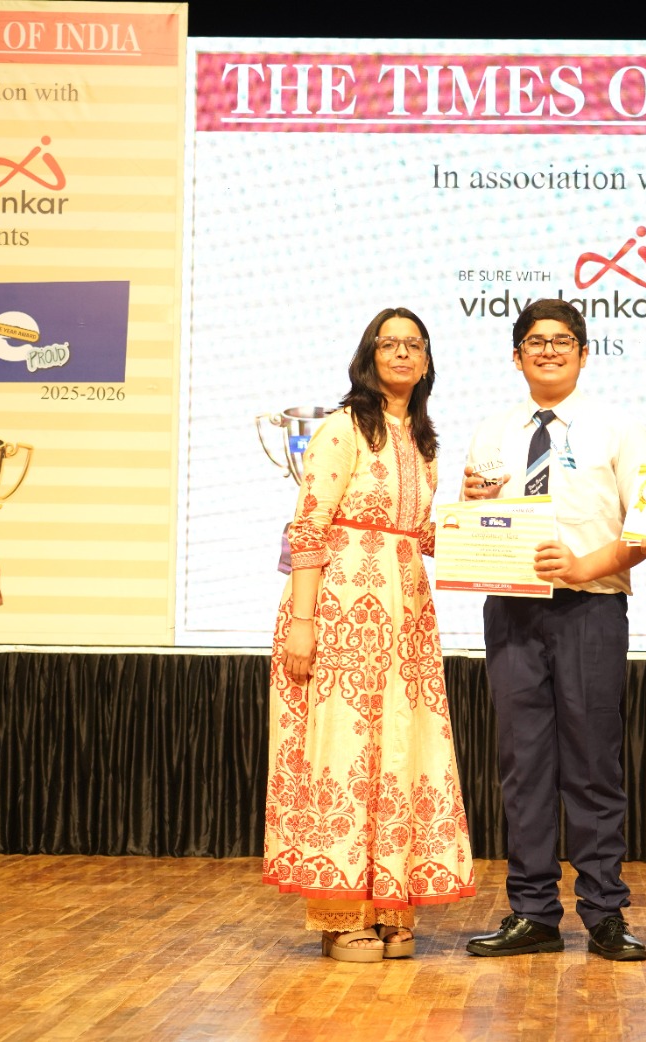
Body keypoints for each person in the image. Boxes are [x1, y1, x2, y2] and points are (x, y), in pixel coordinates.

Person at [262, 307, 475, 963]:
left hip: (406, 622)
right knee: (341, 754)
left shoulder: (424, 440)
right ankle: (338, 915)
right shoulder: (342, 428)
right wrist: (303, 624)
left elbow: (425, 535)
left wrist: (480, 516)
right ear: (370, 355)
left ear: (428, 359)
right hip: (339, 615)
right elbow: (308, 528)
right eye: (392, 343)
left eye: (416, 344)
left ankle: (389, 903)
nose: (404, 353)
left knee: (402, 755)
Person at [460, 299, 646, 962]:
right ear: (516, 356)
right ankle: (533, 912)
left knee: (593, 766)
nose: (549, 350)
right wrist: (474, 512)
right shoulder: (492, 431)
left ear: (583, 352)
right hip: (513, 612)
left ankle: (604, 913)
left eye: (563, 340)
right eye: (536, 342)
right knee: (523, 767)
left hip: (591, 611)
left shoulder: (617, 428)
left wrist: (582, 566)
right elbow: (474, 525)